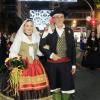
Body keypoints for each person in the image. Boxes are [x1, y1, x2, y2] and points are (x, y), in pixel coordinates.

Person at [8, 19, 52, 100]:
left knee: (38, 87)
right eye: (27, 25)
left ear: (33, 27)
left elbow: (38, 52)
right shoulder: (19, 37)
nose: (29, 27)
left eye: (31, 26)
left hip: (36, 65)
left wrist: (45, 49)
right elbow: (13, 52)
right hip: (23, 65)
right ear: (24, 27)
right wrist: (16, 64)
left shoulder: (37, 37)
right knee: (24, 88)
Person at [39, 8, 76, 100]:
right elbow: (41, 46)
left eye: (61, 17)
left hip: (66, 64)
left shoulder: (69, 31)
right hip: (52, 64)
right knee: (54, 87)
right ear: (53, 19)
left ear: (64, 18)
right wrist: (51, 55)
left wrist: (74, 65)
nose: (59, 19)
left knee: (66, 87)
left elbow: (72, 49)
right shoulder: (48, 30)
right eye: (56, 17)